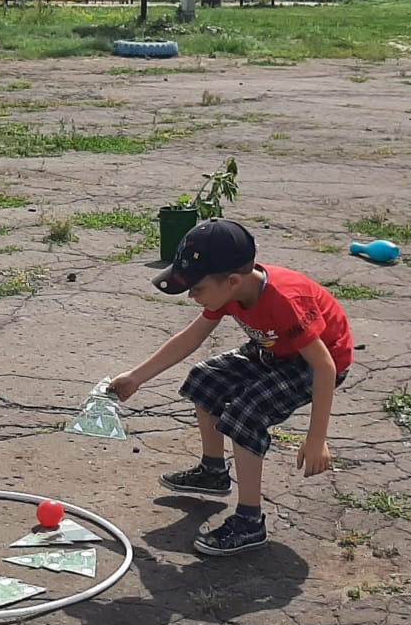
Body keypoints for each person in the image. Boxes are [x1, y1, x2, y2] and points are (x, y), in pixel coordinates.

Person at [108, 218, 352, 556]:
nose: (192, 296)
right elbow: (190, 339)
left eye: (197, 288)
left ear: (233, 281)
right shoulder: (229, 289)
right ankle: (213, 471)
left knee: (245, 413)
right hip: (273, 349)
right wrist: (136, 377)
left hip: (315, 363)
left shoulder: (284, 301)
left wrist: (316, 439)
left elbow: (324, 367)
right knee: (204, 379)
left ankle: (250, 521)